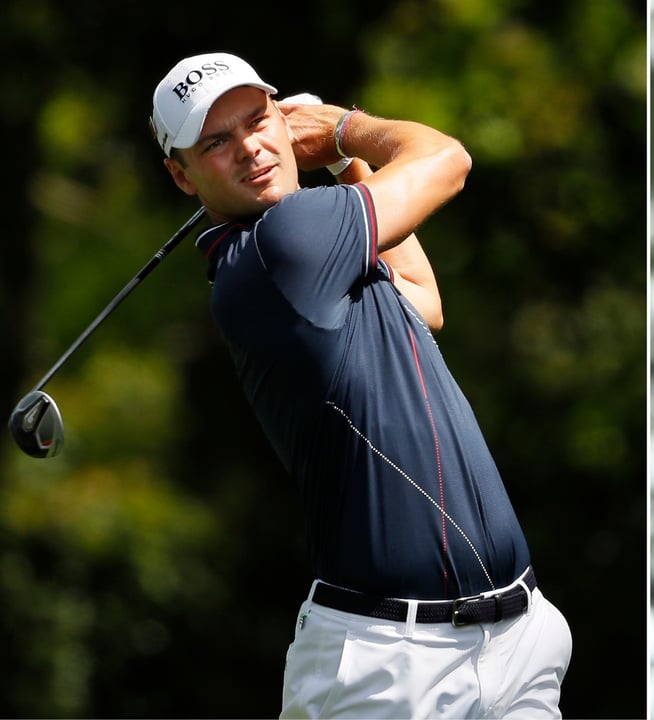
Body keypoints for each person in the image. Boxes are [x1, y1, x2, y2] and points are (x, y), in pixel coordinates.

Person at [150, 52, 571, 719]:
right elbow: (447, 160)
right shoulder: (285, 242)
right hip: (386, 666)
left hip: (516, 641)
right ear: (183, 175)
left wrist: (347, 168)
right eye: (216, 142)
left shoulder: (313, 250)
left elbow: (423, 300)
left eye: (258, 121)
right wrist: (344, 130)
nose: (251, 148)